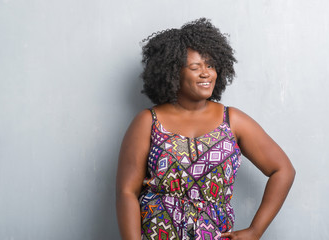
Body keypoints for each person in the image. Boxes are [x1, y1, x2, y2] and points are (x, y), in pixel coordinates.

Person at [116, 18, 295, 240]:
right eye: (195, 67)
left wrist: (255, 230)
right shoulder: (148, 121)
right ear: (172, 72)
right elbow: (127, 192)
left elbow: (283, 170)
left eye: (210, 65)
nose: (206, 73)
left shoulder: (233, 120)